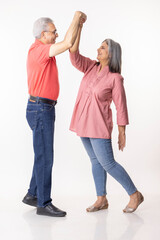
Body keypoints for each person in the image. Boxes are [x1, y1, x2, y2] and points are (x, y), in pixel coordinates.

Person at [69, 23, 144, 213]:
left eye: (102, 47)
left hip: (99, 125)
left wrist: (121, 132)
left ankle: (135, 194)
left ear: (111, 54)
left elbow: (121, 106)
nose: (98, 49)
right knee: (95, 162)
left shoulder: (115, 78)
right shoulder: (90, 67)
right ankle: (101, 199)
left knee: (108, 163)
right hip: (82, 123)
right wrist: (79, 26)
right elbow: (74, 54)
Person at [22, 12, 87, 217]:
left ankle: (33, 194)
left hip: (43, 108)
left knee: (42, 154)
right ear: (43, 34)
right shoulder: (39, 50)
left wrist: (80, 27)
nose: (56, 34)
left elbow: (71, 44)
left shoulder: (41, 49)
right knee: (45, 157)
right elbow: (68, 43)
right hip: (41, 109)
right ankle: (43, 203)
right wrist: (76, 18)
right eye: (53, 31)